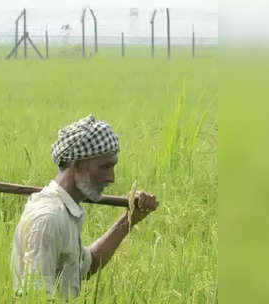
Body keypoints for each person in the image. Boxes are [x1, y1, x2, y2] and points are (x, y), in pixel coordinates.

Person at [11, 114, 159, 300]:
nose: (111, 178)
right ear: (77, 165)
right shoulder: (48, 219)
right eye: (105, 167)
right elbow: (35, 297)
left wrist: (128, 220)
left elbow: (88, 266)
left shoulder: (64, 211)